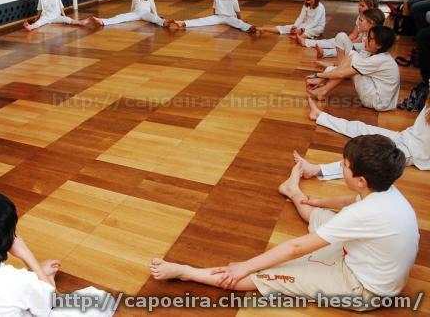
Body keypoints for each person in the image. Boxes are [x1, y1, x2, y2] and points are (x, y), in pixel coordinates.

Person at [150, 135, 419, 311]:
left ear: (361, 179)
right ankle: (293, 192)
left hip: (363, 289)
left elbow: (296, 248)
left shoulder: (363, 215)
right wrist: (317, 202)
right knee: (317, 216)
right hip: (365, 259)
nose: (341, 165)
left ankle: (185, 272)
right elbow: (352, 200)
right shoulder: (386, 191)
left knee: (265, 275)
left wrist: (245, 265)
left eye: (345, 165)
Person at [0, 191, 113, 317]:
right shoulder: (19, 282)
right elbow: (51, 303)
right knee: (102, 300)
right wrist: (29, 259)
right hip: (28, 294)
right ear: (10, 237)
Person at [296, 93, 430, 180]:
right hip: (405, 136)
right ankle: (320, 116)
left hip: (413, 151)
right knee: (361, 128)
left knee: (372, 158)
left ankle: (316, 170)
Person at [305, 26, 399, 111]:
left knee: (353, 56)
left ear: (379, 45)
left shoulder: (379, 59)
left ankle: (323, 90)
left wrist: (319, 75)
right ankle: (323, 90)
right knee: (352, 58)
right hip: (383, 101)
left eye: (370, 39)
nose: (365, 40)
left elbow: (342, 74)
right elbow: (342, 69)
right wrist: (323, 76)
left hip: (377, 102)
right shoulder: (380, 56)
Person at [295, 0, 378, 58]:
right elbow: (354, 34)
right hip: (357, 42)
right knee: (334, 41)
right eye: (359, 5)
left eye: (362, 6)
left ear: (371, 8)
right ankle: (306, 42)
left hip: (363, 46)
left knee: (345, 48)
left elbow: (362, 40)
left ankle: (324, 53)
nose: (359, 7)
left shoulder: (371, 23)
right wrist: (346, 40)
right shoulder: (360, 17)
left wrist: (348, 43)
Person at [172, 0, 257, 33]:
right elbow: (214, 9)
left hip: (230, 17)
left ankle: (250, 28)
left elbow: (238, 12)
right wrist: (212, 18)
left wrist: (240, 19)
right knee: (202, 20)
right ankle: (183, 23)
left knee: (238, 23)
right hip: (218, 17)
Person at [257, 0, 325, 38]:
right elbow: (301, 17)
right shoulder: (306, 5)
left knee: (310, 31)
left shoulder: (320, 7)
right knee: (287, 27)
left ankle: (299, 37)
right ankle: (264, 29)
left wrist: (302, 29)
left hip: (317, 27)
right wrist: (295, 26)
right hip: (306, 25)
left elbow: (315, 23)